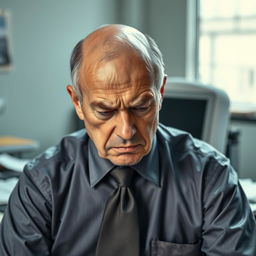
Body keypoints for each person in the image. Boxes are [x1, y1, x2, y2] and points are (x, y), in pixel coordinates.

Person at [0, 24, 255, 256]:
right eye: (104, 111)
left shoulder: (212, 179)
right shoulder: (41, 185)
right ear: (77, 102)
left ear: (161, 93)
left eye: (142, 106)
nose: (125, 130)